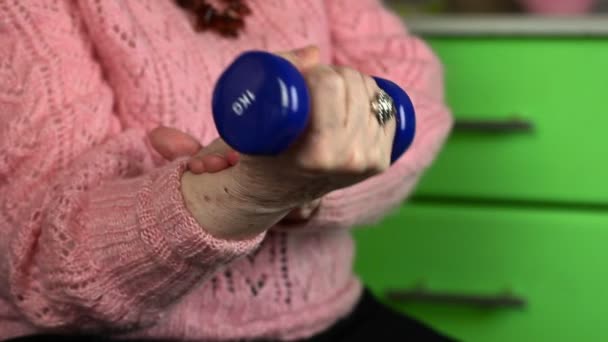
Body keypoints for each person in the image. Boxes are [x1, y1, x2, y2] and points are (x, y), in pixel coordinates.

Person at [0, 0, 453, 341]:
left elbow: (414, 96)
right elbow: (46, 264)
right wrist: (246, 193)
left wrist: (310, 187)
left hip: (330, 315)